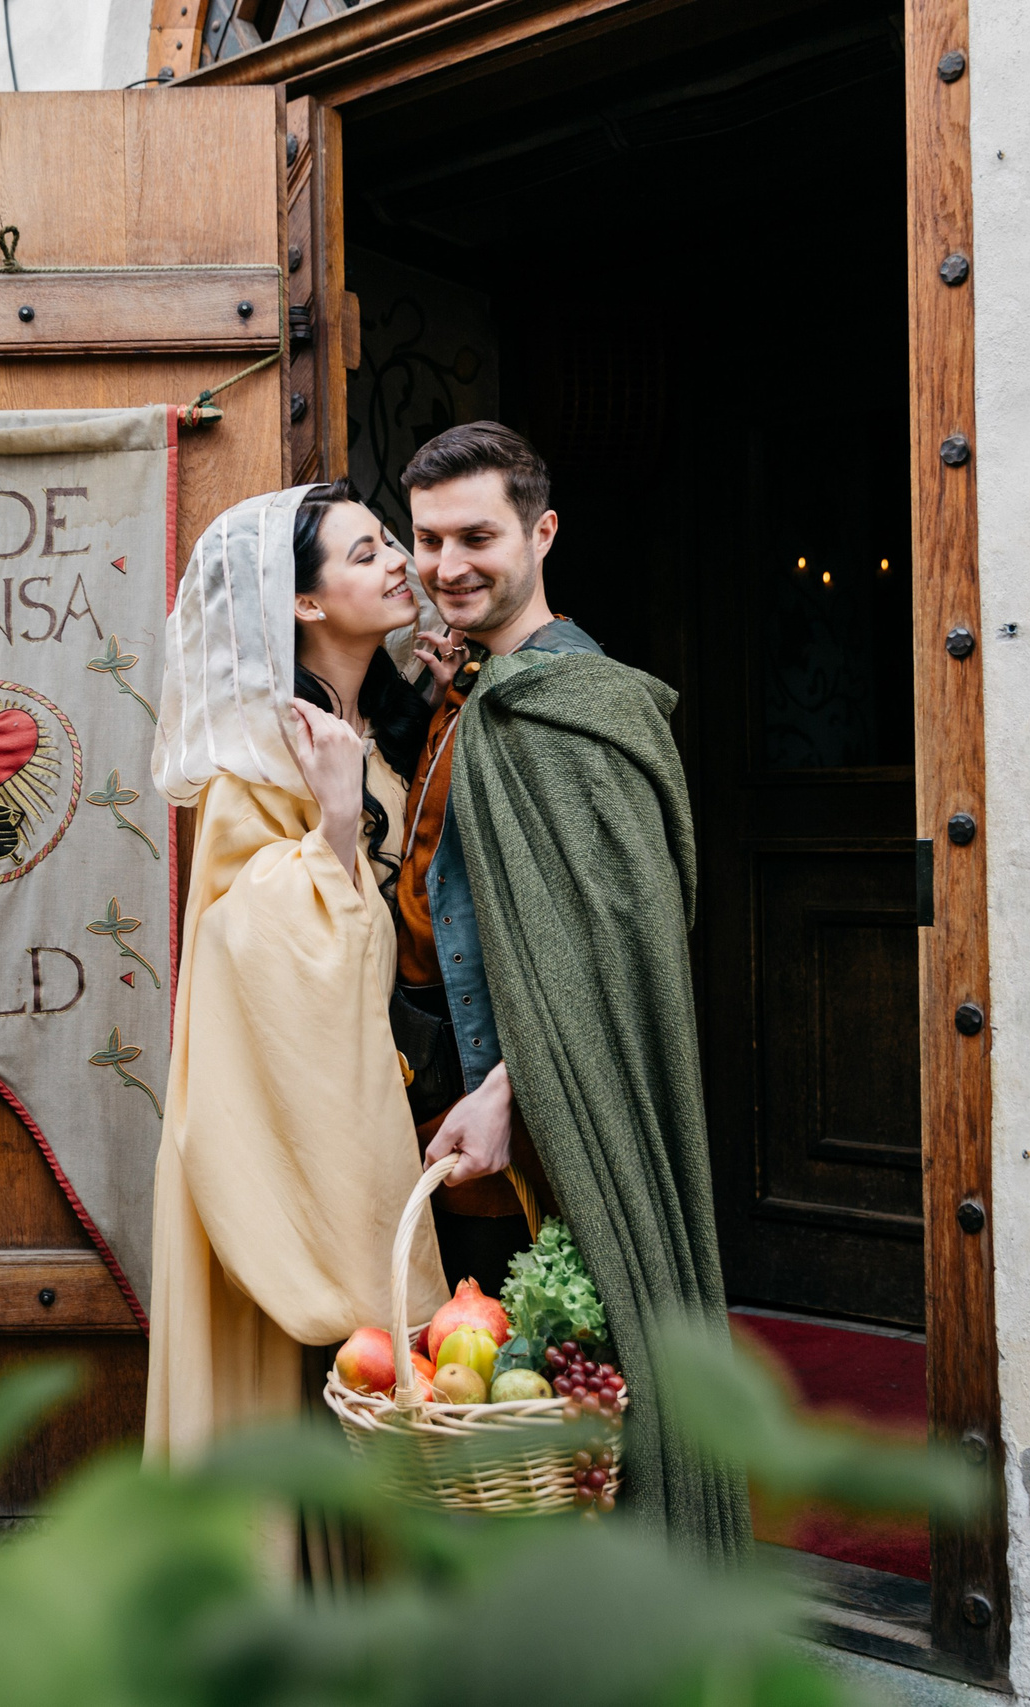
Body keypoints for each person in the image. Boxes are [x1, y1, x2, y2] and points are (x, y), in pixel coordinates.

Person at [393, 421, 749, 1560]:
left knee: (586, 1390)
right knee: (503, 1408)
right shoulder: (475, 690)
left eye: (477, 537)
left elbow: (619, 950)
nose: (448, 564)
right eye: (428, 540)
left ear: (541, 533)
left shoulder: (576, 708)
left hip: (543, 1111)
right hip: (456, 1108)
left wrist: (512, 1086)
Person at [143, 480, 452, 1461]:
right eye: (366, 554)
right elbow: (241, 941)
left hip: (384, 1087)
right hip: (286, 1115)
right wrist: (332, 824)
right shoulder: (262, 752)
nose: (399, 561)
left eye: (388, 542)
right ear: (304, 602)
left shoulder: (387, 723)